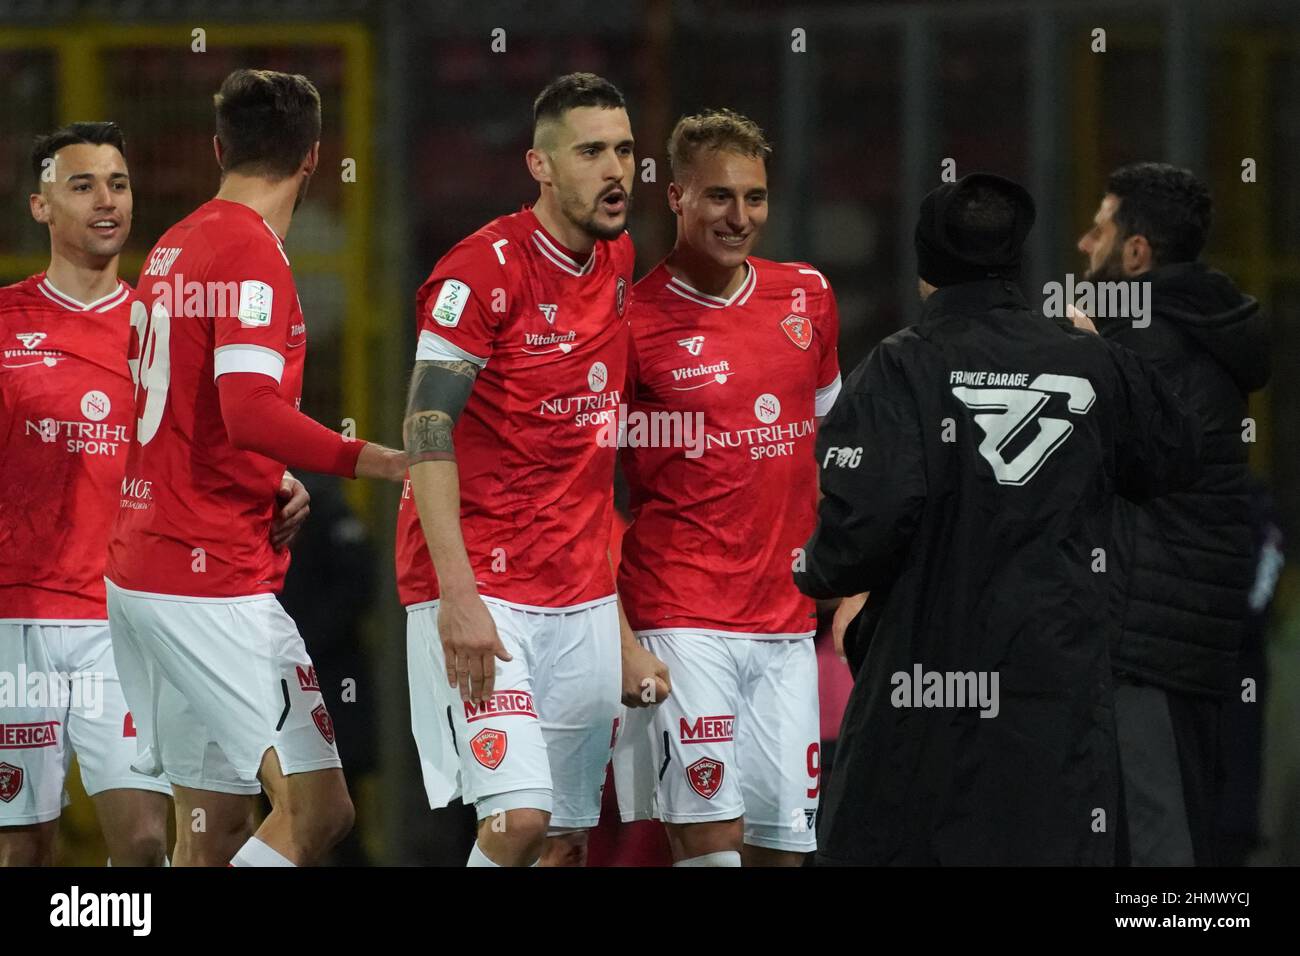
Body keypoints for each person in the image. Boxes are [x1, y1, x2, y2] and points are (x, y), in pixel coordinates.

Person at [795, 172, 1201, 865]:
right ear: (1016, 262)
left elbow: (855, 540)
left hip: (926, 699)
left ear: (926, 266)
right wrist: (1101, 354)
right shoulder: (1090, 361)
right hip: (1056, 698)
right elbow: (1175, 458)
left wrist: (831, 586)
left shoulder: (901, 369)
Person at [105, 69, 408, 867]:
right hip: (210, 584)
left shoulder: (175, 243)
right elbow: (248, 409)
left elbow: (188, 413)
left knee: (214, 832)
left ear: (218, 148)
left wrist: (271, 475)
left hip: (148, 563)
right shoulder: (251, 253)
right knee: (317, 811)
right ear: (314, 158)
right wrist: (370, 459)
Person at [398, 72, 669, 868]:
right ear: (540, 166)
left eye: (624, 149)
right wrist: (457, 600)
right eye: (590, 152)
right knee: (517, 819)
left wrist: (615, 627)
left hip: (579, 594)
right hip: (479, 587)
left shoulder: (618, 259)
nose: (615, 169)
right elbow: (425, 426)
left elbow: (586, 472)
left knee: (563, 840)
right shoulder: (479, 271)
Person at [611, 109, 840, 866]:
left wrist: (853, 580)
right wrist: (616, 632)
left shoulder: (806, 296)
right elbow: (584, 486)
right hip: (681, 618)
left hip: (786, 623)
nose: (739, 218)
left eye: (755, 198)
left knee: (782, 853)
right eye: (718, 197)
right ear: (674, 197)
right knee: (710, 849)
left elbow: (837, 450)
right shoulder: (631, 324)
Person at [1077, 162, 1271, 865]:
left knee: (1159, 843)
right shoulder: (1193, 332)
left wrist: (1085, 359)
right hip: (1177, 627)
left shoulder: (1145, 342)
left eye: (1098, 228)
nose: (1082, 244)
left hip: (1146, 632)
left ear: (1135, 252)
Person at [0, 122, 173, 866]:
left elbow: (206, 446)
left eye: (119, 183)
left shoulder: (163, 331)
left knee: (142, 845)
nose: (107, 201)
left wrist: (282, 480)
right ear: (41, 207)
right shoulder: (5, 322)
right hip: (14, 621)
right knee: (23, 846)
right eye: (82, 185)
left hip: (121, 622)